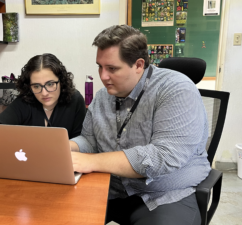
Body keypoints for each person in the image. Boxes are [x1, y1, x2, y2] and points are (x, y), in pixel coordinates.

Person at [70, 25, 211, 225]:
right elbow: (89, 140)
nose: (103, 76)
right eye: (99, 66)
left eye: (112, 68)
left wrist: (91, 162)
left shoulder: (176, 89)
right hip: (112, 188)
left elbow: (163, 157)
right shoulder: (102, 97)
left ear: (138, 65)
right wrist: (67, 148)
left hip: (164, 193)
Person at [0, 53, 86, 139]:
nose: (44, 93)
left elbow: (81, 141)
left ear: (61, 82)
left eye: (50, 84)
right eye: (36, 86)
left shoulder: (75, 100)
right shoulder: (25, 100)